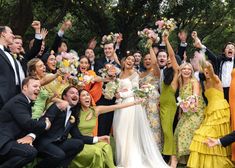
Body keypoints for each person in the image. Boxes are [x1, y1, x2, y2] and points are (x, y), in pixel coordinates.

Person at [113, 54, 169, 168]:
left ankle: (128, 160)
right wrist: (114, 92)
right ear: (123, 61)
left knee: (128, 132)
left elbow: (135, 90)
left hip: (130, 104)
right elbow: (117, 87)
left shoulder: (135, 74)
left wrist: (121, 94)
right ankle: (121, 158)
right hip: (119, 105)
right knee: (118, 131)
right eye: (128, 59)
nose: (130, 61)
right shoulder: (119, 74)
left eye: (133, 60)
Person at [35, 86, 109, 168]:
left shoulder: (73, 114)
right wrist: (31, 137)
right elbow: (43, 121)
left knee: (78, 143)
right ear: (64, 97)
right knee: (60, 155)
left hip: (58, 143)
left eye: (77, 93)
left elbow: (77, 136)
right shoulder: (57, 106)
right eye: (72, 93)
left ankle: (61, 166)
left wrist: (98, 139)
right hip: (45, 142)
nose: (75, 95)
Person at [70, 89, 142, 168]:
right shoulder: (74, 113)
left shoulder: (95, 110)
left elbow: (116, 106)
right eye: (83, 95)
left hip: (91, 140)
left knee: (106, 147)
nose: (87, 97)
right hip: (78, 142)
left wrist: (135, 103)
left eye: (88, 95)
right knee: (97, 152)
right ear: (79, 100)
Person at [187, 61, 234, 167]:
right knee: (205, 134)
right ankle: (204, 163)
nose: (207, 70)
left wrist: (203, 60)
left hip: (220, 110)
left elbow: (211, 71)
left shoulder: (215, 79)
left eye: (208, 68)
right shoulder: (203, 83)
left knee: (211, 133)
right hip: (209, 110)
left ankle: (217, 162)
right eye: (204, 69)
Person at [0, 76, 51, 168]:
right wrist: (46, 125)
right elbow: (28, 123)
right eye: (35, 86)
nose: (38, 89)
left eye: (39, 87)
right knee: (30, 152)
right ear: (25, 87)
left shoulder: (24, 101)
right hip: (4, 141)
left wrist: (30, 136)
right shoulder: (19, 101)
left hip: (11, 140)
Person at [192, 31, 235, 101]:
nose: (230, 49)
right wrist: (200, 45)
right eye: (228, 47)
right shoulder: (219, 61)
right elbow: (211, 55)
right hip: (221, 90)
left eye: (232, 48)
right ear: (224, 51)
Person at [159, 34, 180, 167]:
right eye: (166, 63)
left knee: (169, 132)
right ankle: (167, 157)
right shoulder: (165, 76)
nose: (168, 64)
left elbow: (171, 56)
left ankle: (173, 159)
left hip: (171, 106)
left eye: (169, 63)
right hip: (162, 105)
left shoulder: (176, 74)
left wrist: (166, 41)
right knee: (165, 132)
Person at [139, 41, 163, 151]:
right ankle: (144, 151)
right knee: (143, 127)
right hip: (142, 103)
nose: (148, 61)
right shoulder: (140, 74)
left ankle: (156, 152)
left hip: (153, 103)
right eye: (145, 59)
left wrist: (149, 46)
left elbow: (154, 62)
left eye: (149, 59)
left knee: (154, 126)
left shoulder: (155, 71)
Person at [95, 41, 121, 136]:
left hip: (113, 97)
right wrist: (106, 78)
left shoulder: (118, 63)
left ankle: (106, 142)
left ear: (114, 49)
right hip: (101, 95)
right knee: (100, 122)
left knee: (109, 121)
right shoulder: (99, 61)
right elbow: (96, 77)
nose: (107, 50)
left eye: (109, 48)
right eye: (105, 49)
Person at [0, 25, 21, 110]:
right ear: (3, 34)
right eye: (11, 33)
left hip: (15, 97)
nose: (13, 35)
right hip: (3, 98)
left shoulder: (9, 54)